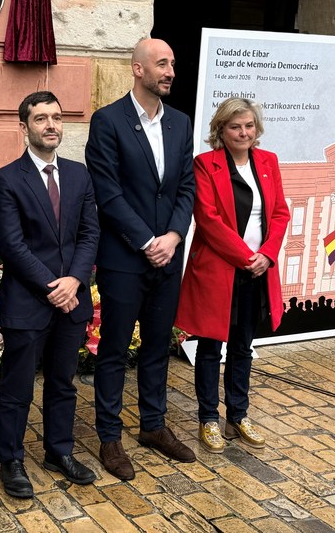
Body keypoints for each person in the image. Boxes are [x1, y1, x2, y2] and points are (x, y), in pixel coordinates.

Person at [85, 37, 196, 480]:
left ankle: (152, 425)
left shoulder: (181, 123)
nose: (169, 71)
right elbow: (107, 193)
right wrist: (147, 240)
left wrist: (172, 236)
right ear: (137, 69)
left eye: (172, 64)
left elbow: (186, 186)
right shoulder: (108, 121)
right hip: (125, 259)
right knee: (113, 350)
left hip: (168, 256)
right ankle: (109, 437)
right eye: (161, 64)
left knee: (156, 347)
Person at [0, 91, 100, 497]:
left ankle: (58, 450)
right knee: (18, 388)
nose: (50, 124)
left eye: (56, 117)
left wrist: (75, 280)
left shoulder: (79, 175)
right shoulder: (6, 179)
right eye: (40, 118)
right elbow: (13, 246)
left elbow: (90, 233)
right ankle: (11, 459)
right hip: (29, 302)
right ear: (24, 127)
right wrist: (55, 288)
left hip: (71, 299)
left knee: (62, 383)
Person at [175, 97, 290, 453]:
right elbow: (208, 220)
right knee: (211, 347)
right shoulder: (206, 165)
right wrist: (246, 257)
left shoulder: (268, 162)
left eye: (249, 126)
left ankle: (238, 415)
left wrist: (266, 255)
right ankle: (208, 418)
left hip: (258, 272)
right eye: (235, 126)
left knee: (243, 346)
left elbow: (281, 213)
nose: (243, 132)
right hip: (219, 271)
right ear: (220, 131)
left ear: (257, 130)